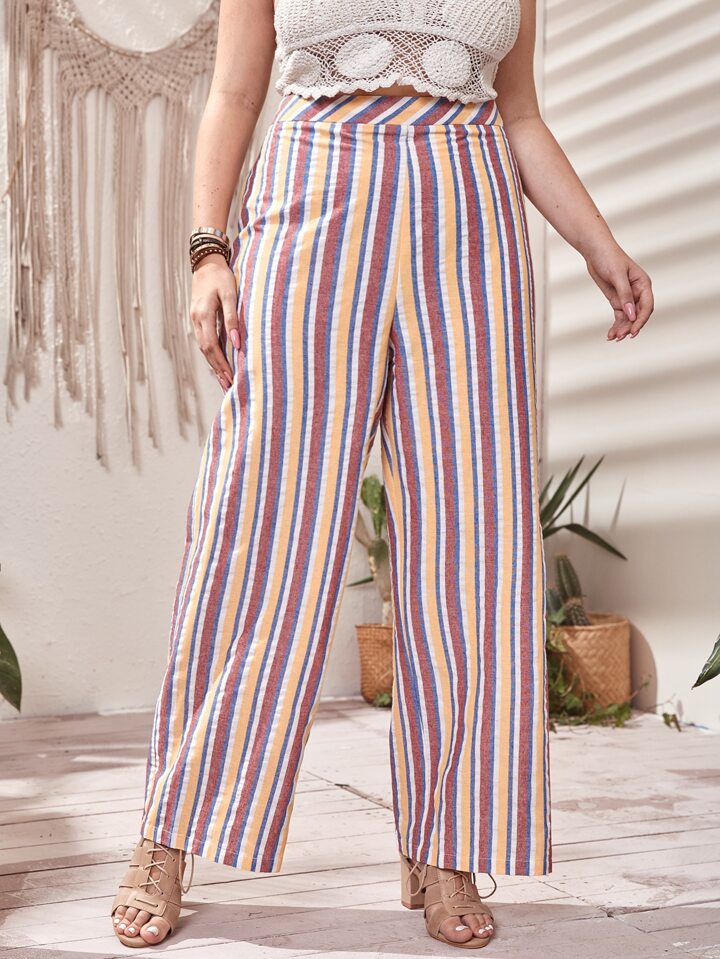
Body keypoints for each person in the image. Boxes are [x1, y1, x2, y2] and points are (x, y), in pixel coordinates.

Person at [110, 0, 654, 949]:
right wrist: (208, 250)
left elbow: (520, 114)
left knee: (471, 540)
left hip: (471, 223)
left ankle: (446, 843)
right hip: (314, 198)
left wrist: (599, 245)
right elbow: (235, 91)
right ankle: (172, 827)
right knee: (259, 528)